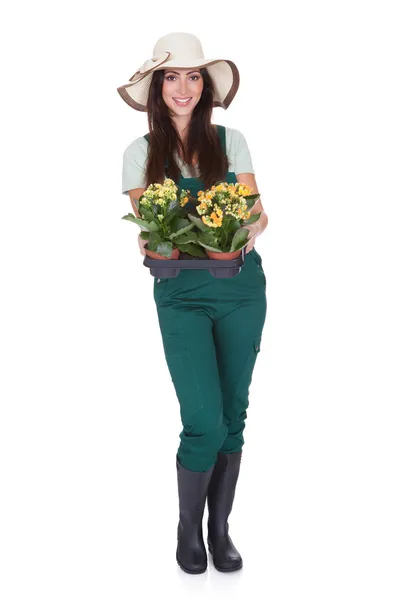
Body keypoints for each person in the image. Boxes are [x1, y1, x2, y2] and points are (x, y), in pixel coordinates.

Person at [117, 31, 268, 575]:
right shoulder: (140, 154)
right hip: (179, 292)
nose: (184, 87)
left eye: (194, 76)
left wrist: (248, 227)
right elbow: (156, 230)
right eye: (172, 76)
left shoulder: (232, 141)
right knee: (202, 418)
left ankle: (219, 529)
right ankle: (187, 527)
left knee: (233, 416)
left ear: (206, 86)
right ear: (158, 87)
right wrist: (148, 239)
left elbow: (257, 213)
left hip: (241, 289)